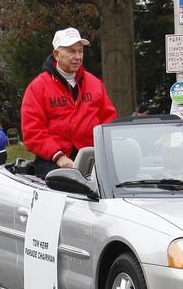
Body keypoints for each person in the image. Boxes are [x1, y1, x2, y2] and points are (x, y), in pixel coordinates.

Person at [20, 27, 117, 178]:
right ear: (57, 55)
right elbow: (33, 132)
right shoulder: (38, 87)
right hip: (53, 160)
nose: (78, 56)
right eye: (72, 51)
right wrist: (58, 156)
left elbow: (108, 120)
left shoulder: (95, 83)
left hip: (92, 157)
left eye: (80, 51)